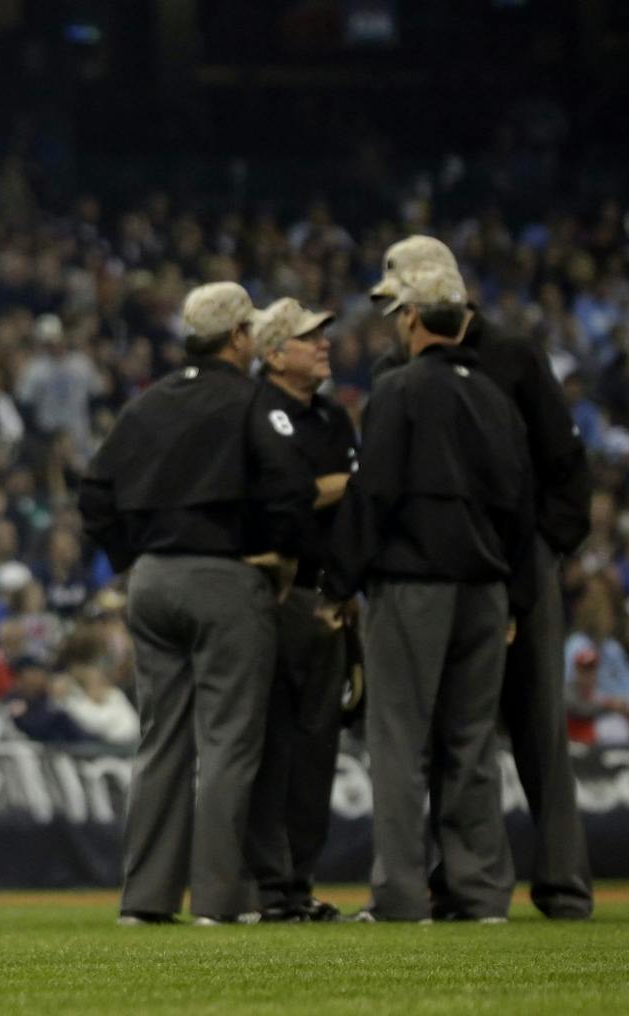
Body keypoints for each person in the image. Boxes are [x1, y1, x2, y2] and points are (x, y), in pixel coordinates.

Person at [368, 235, 594, 921]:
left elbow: (565, 465)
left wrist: (544, 553)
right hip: (445, 572)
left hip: (516, 561)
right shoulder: (394, 366)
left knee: (536, 725)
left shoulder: (514, 355)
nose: (390, 316)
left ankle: (562, 885)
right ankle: (453, 882)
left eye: (397, 300)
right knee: (451, 730)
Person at [79, 281, 314, 926]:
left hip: (152, 581)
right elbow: (292, 486)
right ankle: (217, 902)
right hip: (224, 576)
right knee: (229, 745)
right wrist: (283, 554)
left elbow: (94, 493)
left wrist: (134, 555)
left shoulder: (147, 403)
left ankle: (145, 901)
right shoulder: (253, 399)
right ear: (240, 337)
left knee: (161, 742)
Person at [325, 260, 536, 924]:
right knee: (473, 743)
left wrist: (339, 582)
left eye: (397, 313)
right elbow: (519, 505)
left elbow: (375, 493)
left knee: (399, 742)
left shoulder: (400, 389)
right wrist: (518, 596)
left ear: (413, 318)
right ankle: (480, 896)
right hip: (486, 589)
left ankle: (399, 896)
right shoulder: (494, 396)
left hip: (415, 585)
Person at [241, 297, 357, 924]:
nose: (324, 344)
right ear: (274, 352)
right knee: (273, 742)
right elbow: (288, 495)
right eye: (310, 337)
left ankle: (299, 882)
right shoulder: (257, 411)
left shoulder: (334, 419)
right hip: (276, 593)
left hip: (330, 596)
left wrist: (349, 589)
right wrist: (345, 485)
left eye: (323, 335)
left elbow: (347, 499)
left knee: (317, 749)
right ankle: (267, 884)